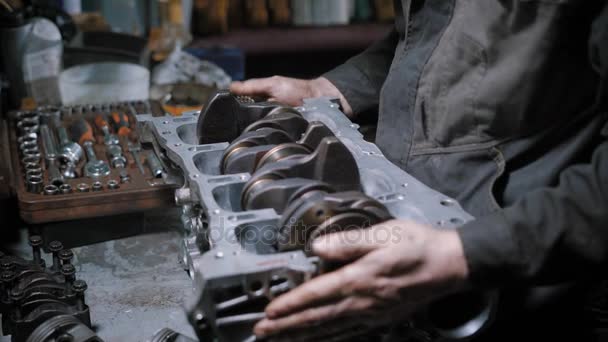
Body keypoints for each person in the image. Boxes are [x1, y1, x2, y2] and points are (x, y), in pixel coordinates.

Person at [231, 1, 608, 340]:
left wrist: (465, 253)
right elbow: (431, 37)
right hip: (406, 269)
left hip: (535, 291)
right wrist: (329, 89)